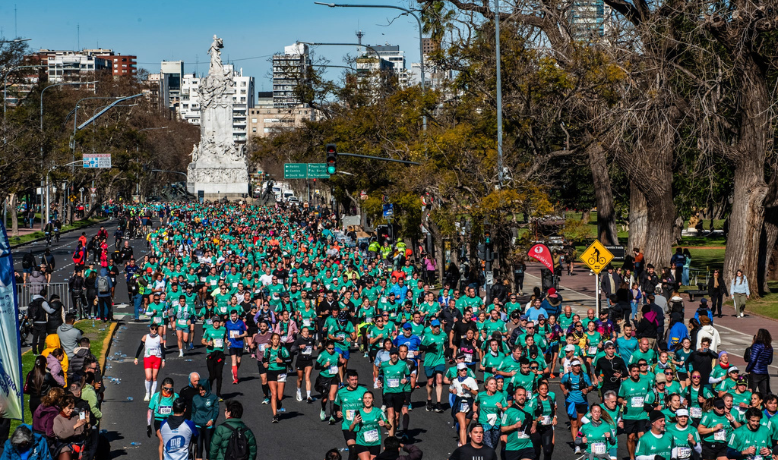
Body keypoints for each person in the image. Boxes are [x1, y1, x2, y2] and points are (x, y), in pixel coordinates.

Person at [334, 370, 368, 457]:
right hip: (348, 425)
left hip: (362, 425)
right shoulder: (341, 392)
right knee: (353, 449)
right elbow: (336, 404)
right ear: (347, 380)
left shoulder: (363, 391)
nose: (354, 382)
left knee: (361, 452)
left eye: (356, 379)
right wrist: (337, 411)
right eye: (352, 380)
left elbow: (370, 405)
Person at [350, 391, 390, 460]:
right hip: (361, 443)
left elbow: (389, 425)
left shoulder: (379, 412)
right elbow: (350, 429)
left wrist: (385, 423)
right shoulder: (358, 412)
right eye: (365, 398)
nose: (367, 400)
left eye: (369, 398)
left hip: (375, 443)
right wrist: (354, 422)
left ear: (373, 400)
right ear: (363, 400)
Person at [262, 333, 291, 423]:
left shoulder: (283, 349)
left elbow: (289, 360)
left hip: (281, 372)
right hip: (271, 372)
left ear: (279, 340)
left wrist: (282, 360)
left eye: (277, 339)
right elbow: (264, 359)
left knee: (280, 396)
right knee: (273, 394)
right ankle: (275, 415)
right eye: (274, 339)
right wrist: (264, 363)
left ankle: (279, 402)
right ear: (271, 340)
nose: (275, 341)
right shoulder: (268, 350)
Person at [147, 378, 179, 460]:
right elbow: (150, 410)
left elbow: (179, 410)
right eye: (166, 388)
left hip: (171, 421)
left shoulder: (175, 396)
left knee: (171, 441)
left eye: (170, 389)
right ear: (162, 386)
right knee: (162, 440)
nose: (168, 390)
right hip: (159, 420)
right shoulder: (156, 396)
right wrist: (148, 425)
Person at [135, 323, 166, 402]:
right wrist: (136, 358)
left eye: (156, 329)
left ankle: (153, 394)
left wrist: (163, 360)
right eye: (152, 329)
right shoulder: (145, 337)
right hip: (147, 358)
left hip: (157, 358)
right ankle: (147, 393)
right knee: (148, 377)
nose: (154, 330)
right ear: (150, 329)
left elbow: (162, 350)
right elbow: (140, 347)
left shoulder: (160, 338)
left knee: (154, 377)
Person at [51, 395, 87, 460]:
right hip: (65, 445)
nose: (71, 411)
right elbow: (61, 435)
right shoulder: (58, 419)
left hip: (78, 445)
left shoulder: (75, 416)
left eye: (72, 408)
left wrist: (87, 423)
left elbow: (83, 432)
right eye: (69, 408)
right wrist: (75, 426)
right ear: (63, 407)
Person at [746, 328, 773, 395]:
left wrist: (748, 369)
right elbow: (769, 361)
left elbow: (753, 359)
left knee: (751, 391)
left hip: (755, 372)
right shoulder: (769, 347)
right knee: (764, 393)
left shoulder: (757, 345)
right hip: (764, 372)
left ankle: (752, 404)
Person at [224, 311, 247, 385]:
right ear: (230, 316)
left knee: (238, 361)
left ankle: (234, 370)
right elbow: (224, 334)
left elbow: (246, 333)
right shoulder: (227, 323)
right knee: (233, 360)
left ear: (237, 316)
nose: (233, 317)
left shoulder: (241, 323)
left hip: (239, 344)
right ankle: (236, 378)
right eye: (232, 316)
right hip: (232, 344)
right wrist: (227, 341)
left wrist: (239, 336)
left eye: (235, 316)